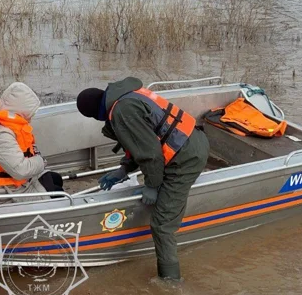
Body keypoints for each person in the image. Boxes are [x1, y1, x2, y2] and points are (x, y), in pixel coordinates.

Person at [76, 77, 209, 281]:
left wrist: (152, 186)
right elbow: (143, 141)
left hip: (186, 158)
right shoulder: (125, 97)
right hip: (190, 143)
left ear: (95, 115)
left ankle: (170, 282)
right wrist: (124, 169)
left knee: (162, 224)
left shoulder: (121, 112)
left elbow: (151, 154)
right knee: (160, 214)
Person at [0, 82, 64, 206]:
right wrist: (41, 161)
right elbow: (21, 171)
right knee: (60, 198)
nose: (31, 117)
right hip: (3, 192)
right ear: (20, 110)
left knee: (55, 178)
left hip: (13, 182)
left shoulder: (6, 124)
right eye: (30, 113)